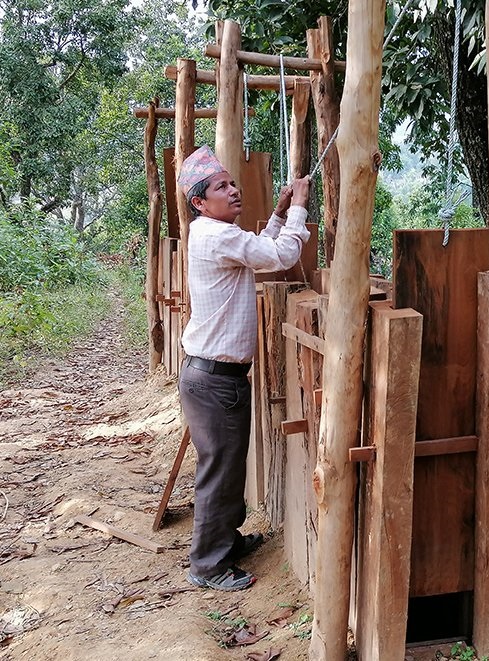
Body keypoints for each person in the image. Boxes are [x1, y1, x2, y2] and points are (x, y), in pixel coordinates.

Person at [176, 145, 310, 591]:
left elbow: (259, 249)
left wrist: (279, 213)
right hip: (215, 380)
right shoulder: (217, 236)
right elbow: (281, 256)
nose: (233, 190)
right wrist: (300, 208)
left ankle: (225, 544)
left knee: (228, 466)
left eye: (232, 183)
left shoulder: (213, 233)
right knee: (219, 472)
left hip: (212, 377)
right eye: (222, 187)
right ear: (200, 202)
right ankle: (207, 566)